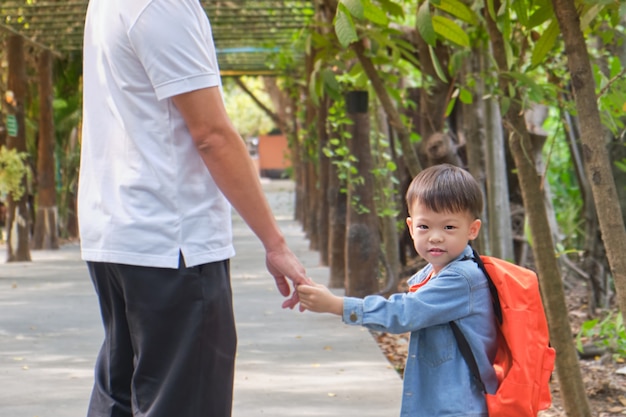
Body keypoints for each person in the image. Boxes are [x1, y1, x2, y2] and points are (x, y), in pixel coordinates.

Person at [78, 1, 310, 416]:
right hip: (172, 241)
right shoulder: (163, 6)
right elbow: (212, 135)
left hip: (118, 233)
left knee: (120, 399)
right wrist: (275, 243)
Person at [298, 164, 498, 417]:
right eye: (424, 227)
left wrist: (336, 305)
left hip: (458, 407)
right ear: (411, 226)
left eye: (448, 227)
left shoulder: (462, 279)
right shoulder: (432, 273)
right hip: (440, 404)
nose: (435, 237)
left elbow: (404, 313)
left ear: (472, 229)